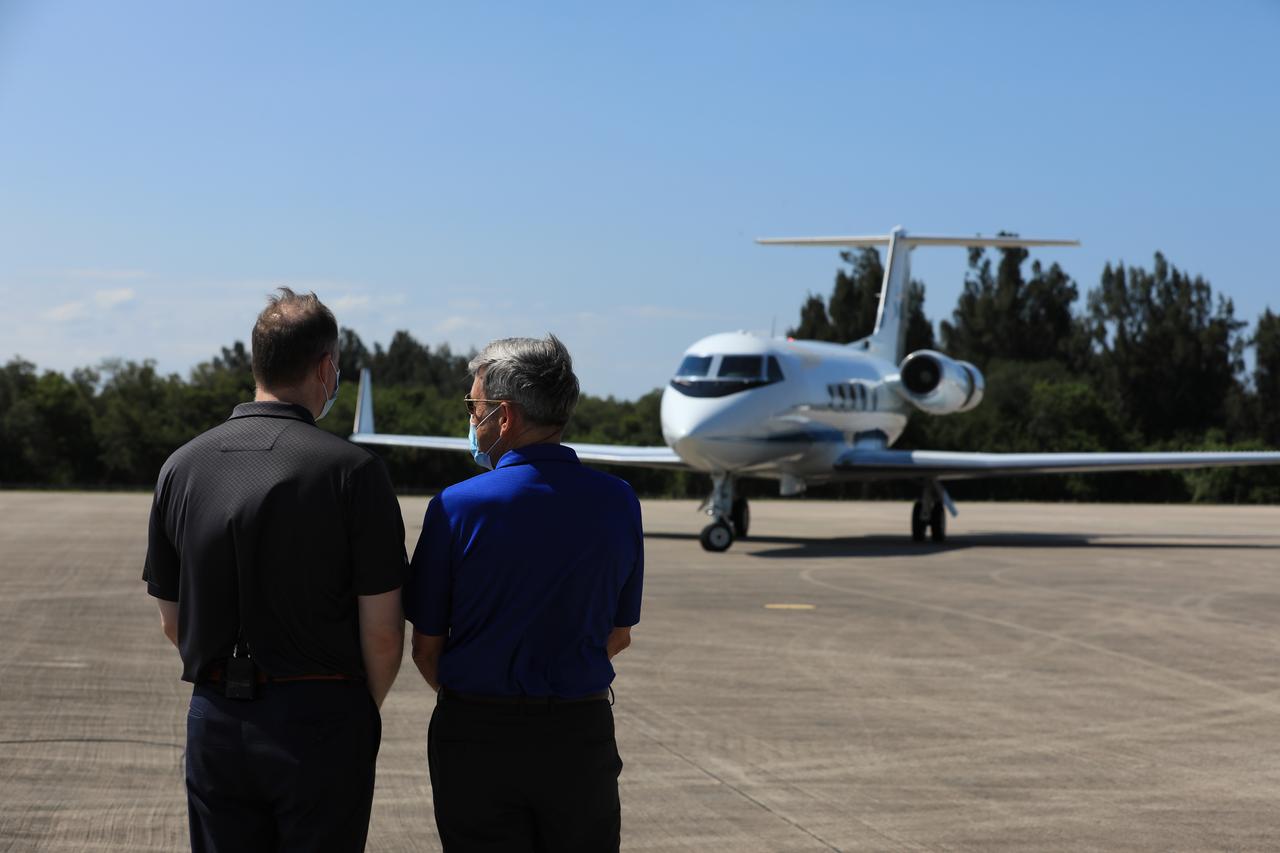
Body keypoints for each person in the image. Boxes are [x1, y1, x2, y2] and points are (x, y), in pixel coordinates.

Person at [143, 287, 407, 853]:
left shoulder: (180, 468)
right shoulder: (354, 473)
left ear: (256, 362)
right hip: (321, 716)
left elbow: (173, 621)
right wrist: (355, 711)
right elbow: (384, 633)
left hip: (214, 717)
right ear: (326, 368)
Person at [407, 334, 643, 853]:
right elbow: (619, 633)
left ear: (505, 416)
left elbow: (426, 648)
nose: (472, 419)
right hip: (578, 734)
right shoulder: (618, 502)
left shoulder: (455, 508)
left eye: (475, 407)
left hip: (476, 734)